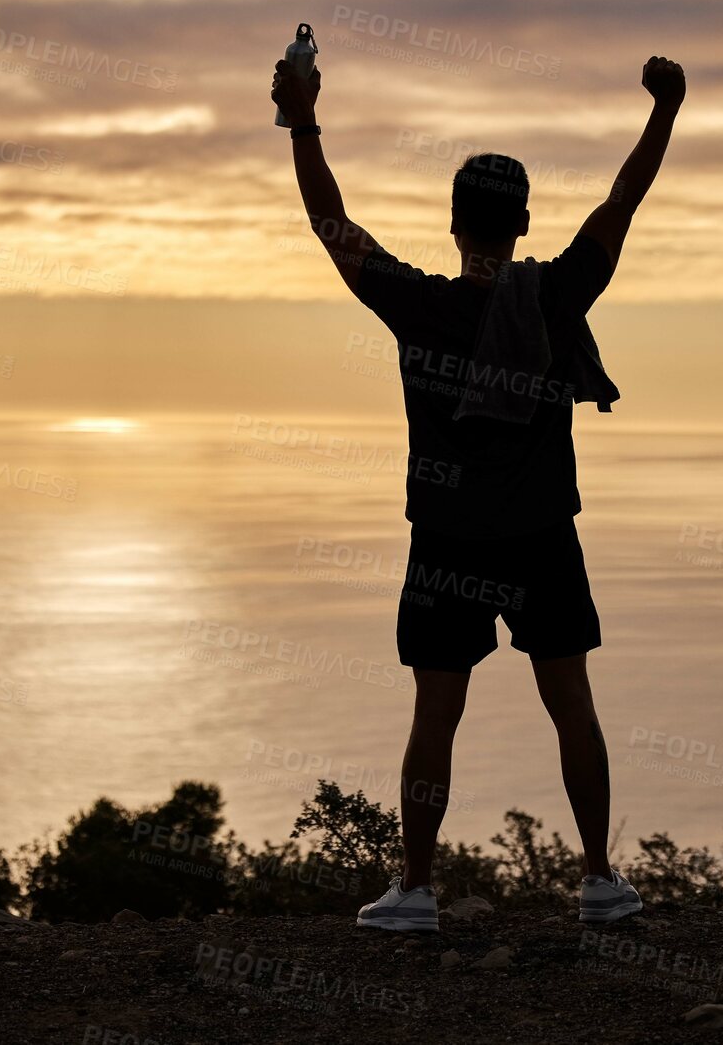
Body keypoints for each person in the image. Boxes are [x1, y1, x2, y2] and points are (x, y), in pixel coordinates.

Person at [270, 51, 686, 931]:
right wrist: (665, 111)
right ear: (522, 222)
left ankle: (415, 889)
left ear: (455, 223)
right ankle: (601, 880)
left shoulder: (419, 305)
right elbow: (622, 203)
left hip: (447, 540)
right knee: (570, 700)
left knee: (437, 711)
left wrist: (302, 118)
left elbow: (330, 221)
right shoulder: (556, 295)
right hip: (542, 535)